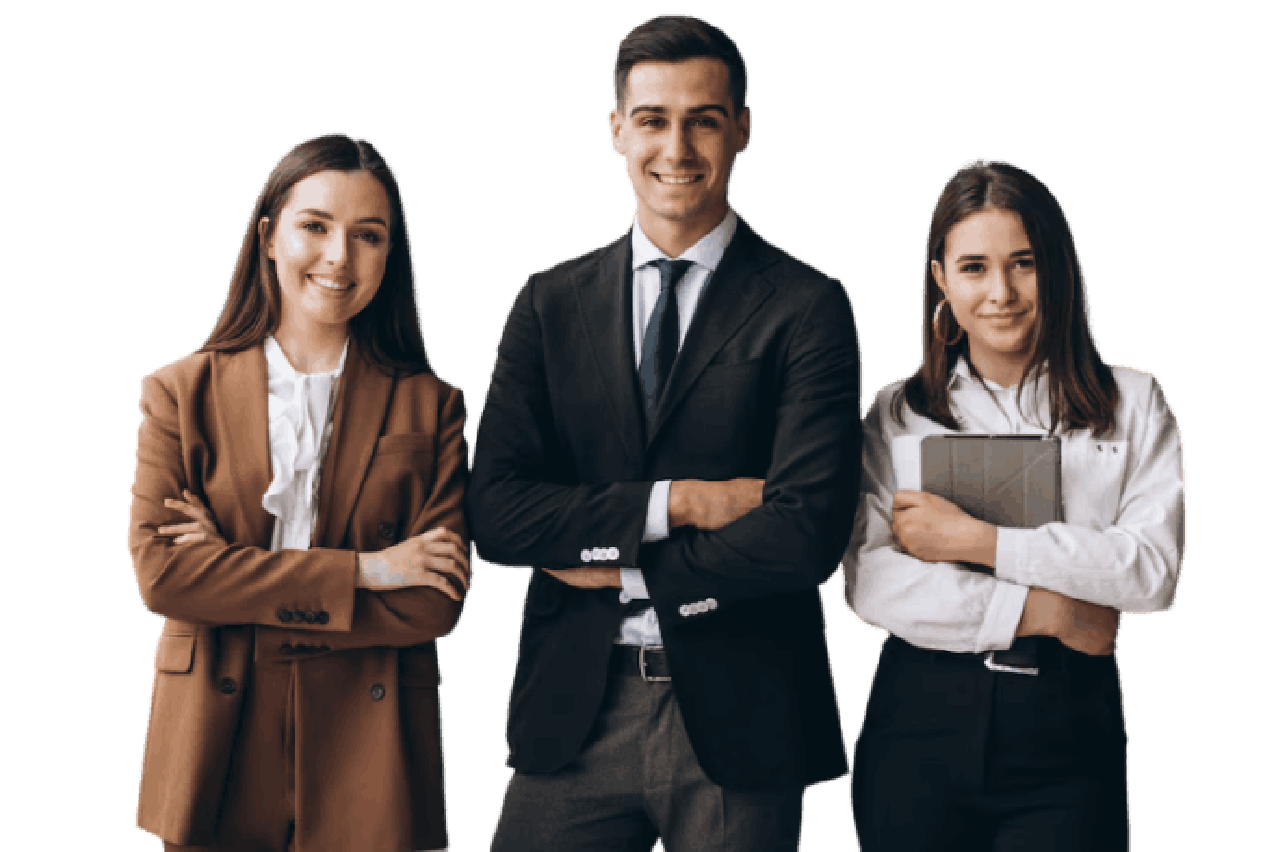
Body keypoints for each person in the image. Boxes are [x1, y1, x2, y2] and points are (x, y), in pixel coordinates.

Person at [466, 14, 862, 852]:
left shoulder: (808, 306)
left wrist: (612, 560)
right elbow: (497, 513)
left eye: (703, 119)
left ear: (743, 129)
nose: (675, 146)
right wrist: (682, 503)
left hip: (741, 720)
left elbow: (806, 532)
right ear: (615, 129)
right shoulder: (547, 302)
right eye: (652, 119)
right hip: (574, 712)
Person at [128, 132, 472, 852]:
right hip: (214, 733)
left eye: (367, 235)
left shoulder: (431, 405)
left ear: (390, 253)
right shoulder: (178, 392)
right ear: (269, 237)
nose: (340, 257)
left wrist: (231, 573)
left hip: (369, 739)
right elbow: (163, 578)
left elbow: (434, 601)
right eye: (315, 226)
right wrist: (366, 571)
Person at [842, 158, 1186, 851]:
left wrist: (977, 542)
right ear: (940, 278)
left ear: (1055, 268)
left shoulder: (1133, 400)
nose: (1001, 292)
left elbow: (1151, 574)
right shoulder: (896, 411)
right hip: (919, 724)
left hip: (1068, 728)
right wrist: (1052, 609)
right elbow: (869, 583)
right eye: (974, 267)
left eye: (1023, 263)